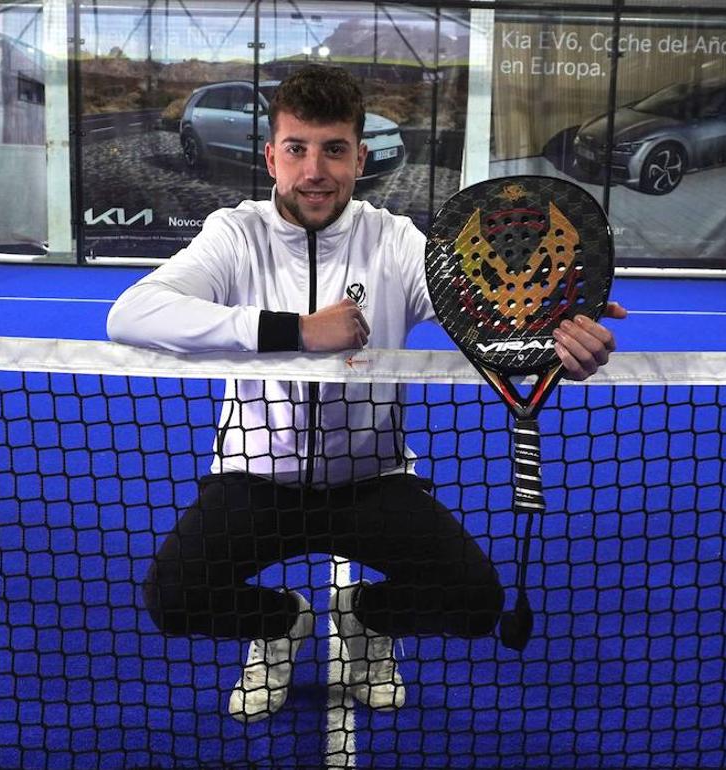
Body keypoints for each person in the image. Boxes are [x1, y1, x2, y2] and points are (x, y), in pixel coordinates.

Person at [107, 65, 627, 723]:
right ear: (271, 155)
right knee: (172, 599)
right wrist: (294, 330)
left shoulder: (398, 243)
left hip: (371, 479)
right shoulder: (234, 235)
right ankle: (280, 626)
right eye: (296, 148)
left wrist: (557, 340)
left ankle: (364, 618)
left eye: (333, 149)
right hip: (255, 478)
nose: (314, 169)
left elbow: (491, 318)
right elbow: (131, 313)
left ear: (360, 156)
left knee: (473, 602)